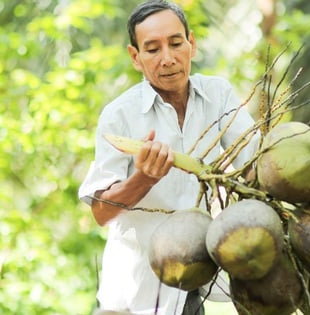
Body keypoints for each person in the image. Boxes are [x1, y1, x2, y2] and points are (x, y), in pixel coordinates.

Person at [78, 1, 258, 314]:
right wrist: (143, 178)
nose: (168, 58)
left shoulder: (218, 96)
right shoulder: (119, 116)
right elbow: (101, 213)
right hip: (132, 297)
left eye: (176, 44)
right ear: (135, 57)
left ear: (192, 44)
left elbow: (255, 166)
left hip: (190, 287)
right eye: (152, 49)